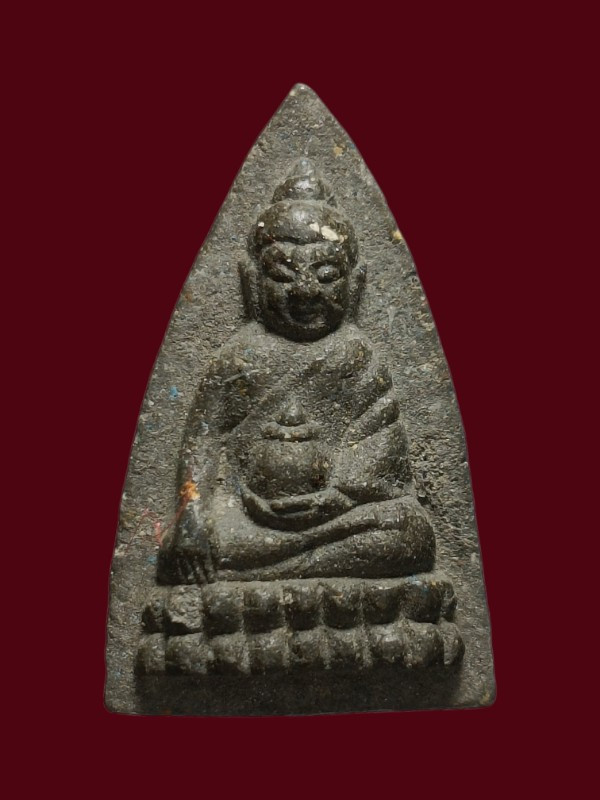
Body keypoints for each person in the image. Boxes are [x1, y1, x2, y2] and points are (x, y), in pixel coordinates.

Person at [158, 160, 435, 585]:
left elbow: (384, 447)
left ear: (355, 283)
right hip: (249, 516)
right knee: (186, 546)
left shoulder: (357, 355)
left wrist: (339, 495)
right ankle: (295, 576)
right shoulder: (241, 355)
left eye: (326, 276)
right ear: (252, 281)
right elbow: (203, 439)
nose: (305, 291)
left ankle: (274, 575)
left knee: (410, 532)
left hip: (336, 513)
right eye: (284, 275)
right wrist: (191, 514)